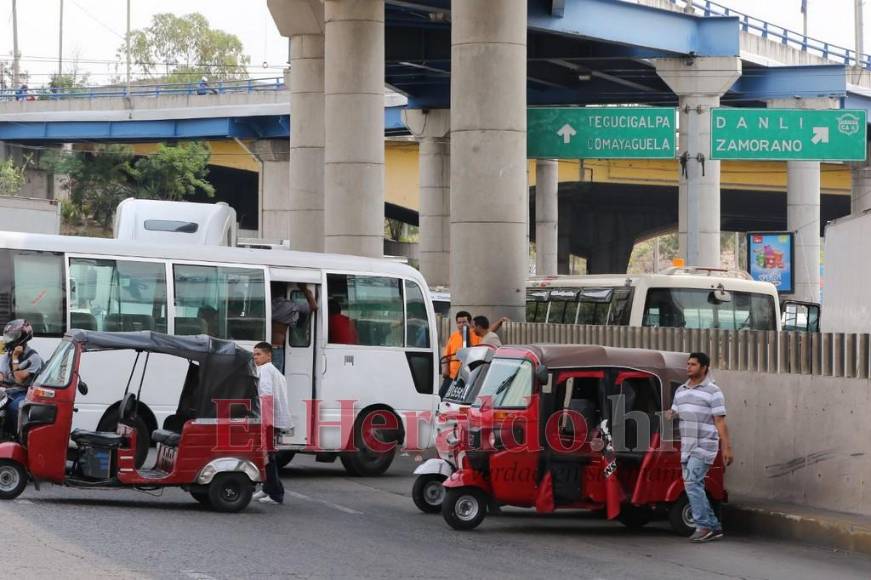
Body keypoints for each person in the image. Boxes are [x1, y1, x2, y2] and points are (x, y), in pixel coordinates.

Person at [666, 352, 733, 543]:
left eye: (693, 364)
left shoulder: (713, 391)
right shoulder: (681, 391)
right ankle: (714, 526)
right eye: (688, 364)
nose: (688, 367)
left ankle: (703, 526)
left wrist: (727, 448)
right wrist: (668, 415)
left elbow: (720, 421)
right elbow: (674, 413)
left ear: (704, 368)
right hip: (687, 446)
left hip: (704, 445)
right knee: (694, 485)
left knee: (692, 483)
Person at [251, 342, 290, 505]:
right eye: (254, 354)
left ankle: (276, 494)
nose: (255, 357)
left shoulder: (266, 370)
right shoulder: (272, 370)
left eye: (259, 354)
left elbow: (266, 397)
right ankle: (268, 489)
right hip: (272, 420)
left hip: (267, 421)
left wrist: (263, 422)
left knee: (268, 457)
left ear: (268, 355)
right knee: (266, 456)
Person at [0, 320, 43, 437]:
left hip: (26, 392)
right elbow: (2, 375)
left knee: (15, 407)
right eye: (7, 336)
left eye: (12, 336)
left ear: (22, 337)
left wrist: (15, 358)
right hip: (10, 391)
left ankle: (19, 438)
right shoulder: (7, 355)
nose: (8, 340)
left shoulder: (33, 357)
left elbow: (19, 380)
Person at [271, 282, 317, 373]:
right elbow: (313, 306)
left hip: (263, 347)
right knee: (276, 377)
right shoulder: (289, 306)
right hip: (276, 347)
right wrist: (304, 289)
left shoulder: (266, 304)